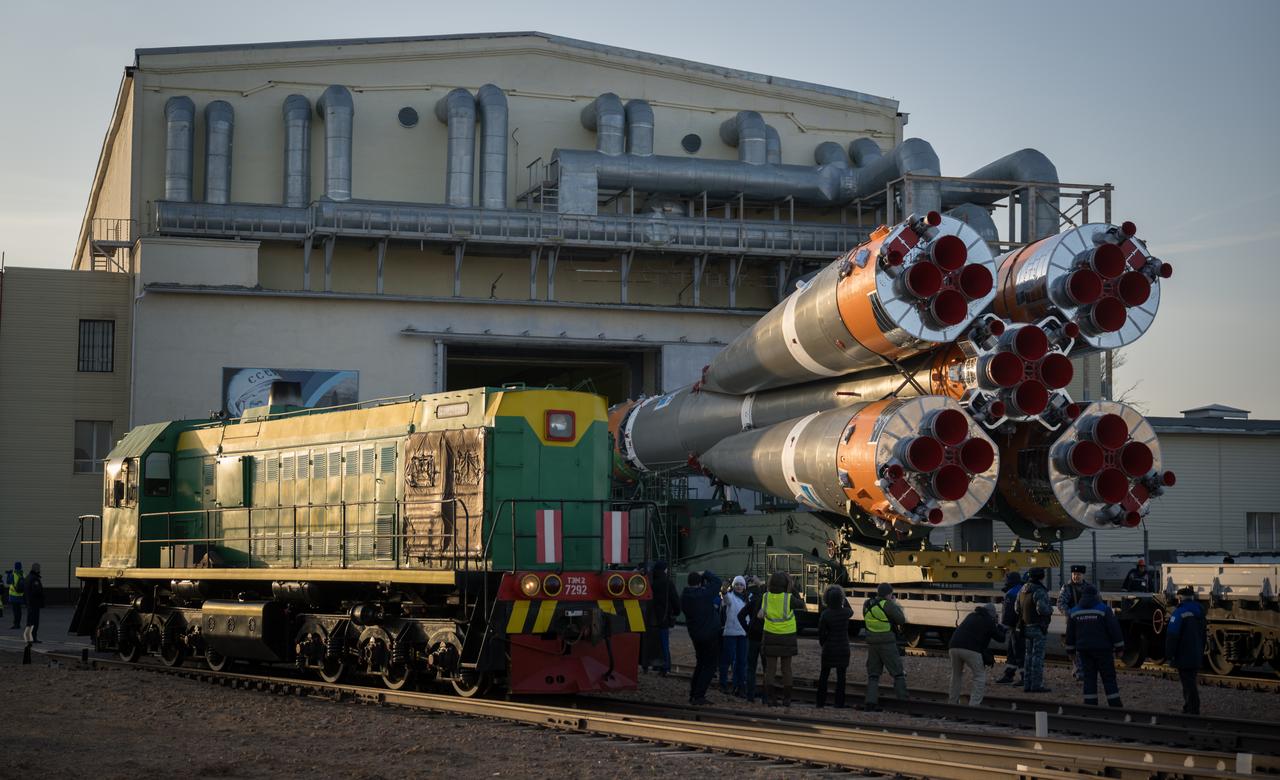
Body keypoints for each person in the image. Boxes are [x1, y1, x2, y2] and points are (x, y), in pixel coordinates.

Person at [1064, 584, 1125, 707]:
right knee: (1108, 678)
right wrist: (1120, 648)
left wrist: (1070, 652)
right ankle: (1115, 705)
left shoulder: (1074, 612)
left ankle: (1090, 706)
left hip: (1084, 651)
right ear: (1096, 595)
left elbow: (1070, 634)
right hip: (1103, 651)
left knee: (1089, 678)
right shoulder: (1104, 610)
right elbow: (1114, 630)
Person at [759, 571, 804, 707]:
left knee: (770, 669)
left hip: (770, 635)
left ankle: (771, 699)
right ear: (786, 584)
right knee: (786, 669)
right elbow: (801, 604)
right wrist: (792, 588)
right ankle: (787, 699)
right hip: (787, 636)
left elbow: (762, 614)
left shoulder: (766, 596)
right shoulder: (788, 598)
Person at [948, 603, 1006, 706]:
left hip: (953, 646)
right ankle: (974, 705)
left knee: (956, 675)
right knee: (979, 676)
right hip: (971, 649)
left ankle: (952, 702)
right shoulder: (989, 620)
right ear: (992, 614)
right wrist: (1000, 627)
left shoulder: (971, 615)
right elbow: (1001, 638)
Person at [862, 582, 908, 711]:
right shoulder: (888, 605)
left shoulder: (867, 604)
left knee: (873, 675)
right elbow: (901, 620)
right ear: (888, 594)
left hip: (872, 643)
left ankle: (870, 702)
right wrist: (894, 603)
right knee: (898, 673)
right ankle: (903, 701)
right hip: (887, 643)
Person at [681, 570, 722, 705]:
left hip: (695, 635)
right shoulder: (704, 594)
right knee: (710, 665)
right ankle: (699, 695)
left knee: (701, 664)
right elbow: (717, 582)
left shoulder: (685, 596)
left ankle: (694, 694)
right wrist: (705, 573)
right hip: (709, 634)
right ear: (700, 583)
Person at [1165, 585, 1207, 714]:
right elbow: (1204, 635)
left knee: (1187, 683)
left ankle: (1192, 709)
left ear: (1180, 598)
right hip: (1196, 653)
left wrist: (1169, 654)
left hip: (1183, 654)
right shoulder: (1200, 612)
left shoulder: (1179, 613)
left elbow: (1172, 635)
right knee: (1191, 680)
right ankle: (1188, 706)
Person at [816, 584, 853, 708]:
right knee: (841, 677)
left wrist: (824, 644)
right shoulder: (846, 612)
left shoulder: (825, 614)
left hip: (829, 648)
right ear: (841, 599)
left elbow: (821, 634)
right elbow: (850, 610)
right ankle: (839, 702)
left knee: (824, 675)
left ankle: (820, 702)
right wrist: (844, 598)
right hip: (843, 648)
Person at [1017, 567, 1053, 693]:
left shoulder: (1022, 589)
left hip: (1025, 627)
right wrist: (1050, 609)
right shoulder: (1039, 591)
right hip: (1038, 627)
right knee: (1037, 657)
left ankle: (1027, 684)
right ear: (1042, 577)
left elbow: (1017, 608)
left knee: (1028, 656)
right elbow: (1042, 609)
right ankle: (1036, 685)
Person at [641, 561, 680, 675]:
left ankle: (649, 665)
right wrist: (676, 612)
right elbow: (674, 599)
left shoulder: (650, 581)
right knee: (664, 643)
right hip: (663, 618)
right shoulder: (667, 583)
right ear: (664, 570)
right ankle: (665, 666)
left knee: (650, 643)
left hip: (648, 619)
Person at [737, 576, 767, 703]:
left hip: (753, 637)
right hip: (765, 638)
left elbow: (740, 615)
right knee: (767, 669)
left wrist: (747, 629)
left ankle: (750, 696)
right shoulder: (770, 603)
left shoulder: (754, 601)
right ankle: (766, 697)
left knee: (751, 668)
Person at [718, 576, 749, 696]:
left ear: (744, 587)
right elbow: (725, 597)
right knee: (728, 659)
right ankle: (723, 683)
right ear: (733, 586)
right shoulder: (730, 597)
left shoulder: (747, 599)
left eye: (741, 585)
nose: (739, 587)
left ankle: (739, 685)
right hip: (730, 633)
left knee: (741, 661)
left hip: (743, 633)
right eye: (737, 585)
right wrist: (724, 590)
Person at [1059, 565, 1090, 679]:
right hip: (1074, 623)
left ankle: (1084, 670)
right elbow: (1061, 603)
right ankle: (1078, 671)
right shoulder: (1067, 587)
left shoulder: (1088, 587)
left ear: (1083, 575)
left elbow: (1097, 601)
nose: (1076, 576)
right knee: (1075, 648)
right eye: (1074, 574)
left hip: (1088, 622)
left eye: (1078, 574)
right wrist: (1071, 614)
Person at [995, 571, 1024, 685]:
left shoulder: (1010, 594)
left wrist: (1002, 628)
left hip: (1015, 627)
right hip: (1022, 626)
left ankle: (1023, 676)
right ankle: (1009, 674)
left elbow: (1008, 614)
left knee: (1017, 651)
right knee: (1013, 651)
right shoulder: (1022, 589)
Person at [23, 563, 43, 644]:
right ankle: (33, 638)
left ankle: (28, 637)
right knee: (34, 622)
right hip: (34, 603)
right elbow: (36, 591)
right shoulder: (34, 579)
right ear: (37, 569)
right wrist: (41, 595)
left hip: (29, 602)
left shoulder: (28, 577)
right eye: (39, 569)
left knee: (30, 621)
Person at [6, 562, 25, 629]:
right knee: (19, 611)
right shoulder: (23, 574)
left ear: (15, 567)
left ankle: (16, 624)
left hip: (14, 595)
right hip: (21, 595)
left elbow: (8, 582)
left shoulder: (13, 574)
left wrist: (8, 574)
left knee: (15, 611)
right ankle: (18, 624)